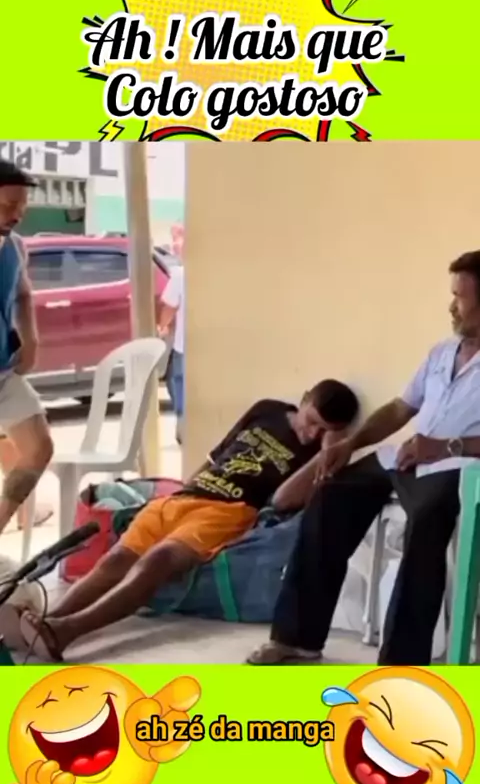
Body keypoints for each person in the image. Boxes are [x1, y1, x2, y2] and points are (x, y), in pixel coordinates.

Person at [247, 250, 480, 668]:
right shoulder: (441, 352)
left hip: (459, 468)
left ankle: (402, 663)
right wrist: (349, 444)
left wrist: (447, 447)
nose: (451, 306)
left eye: (460, 297)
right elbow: (400, 409)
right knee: (330, 493)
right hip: (405, 457)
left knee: (427, 521)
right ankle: (296, 639)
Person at [19, 379, 359, 660]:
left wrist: (328, 450)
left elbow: (282, 499)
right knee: (115, 560)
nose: (313, 433)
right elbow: (217, 454)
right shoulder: (267, 409)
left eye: (324, 430)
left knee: (156, 563)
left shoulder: (317, 452)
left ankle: (66, 631)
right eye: (311, 421)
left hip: (226, 511)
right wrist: (184, 489)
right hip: (184, 499)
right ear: (303, 400)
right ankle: (45, 622)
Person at [0, 160, 54, 538]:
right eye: (8, 206)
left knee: (38, 448)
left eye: (22, 206)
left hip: (4, 371)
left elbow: (22, 294)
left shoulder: (16, 246)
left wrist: (31, 340)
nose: (17, 215)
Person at [159, 264, 185, 445]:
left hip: (184, 345)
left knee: (178, 382)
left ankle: (183, 423)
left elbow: (170, 306)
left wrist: (163, 327)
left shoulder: (181, 274)